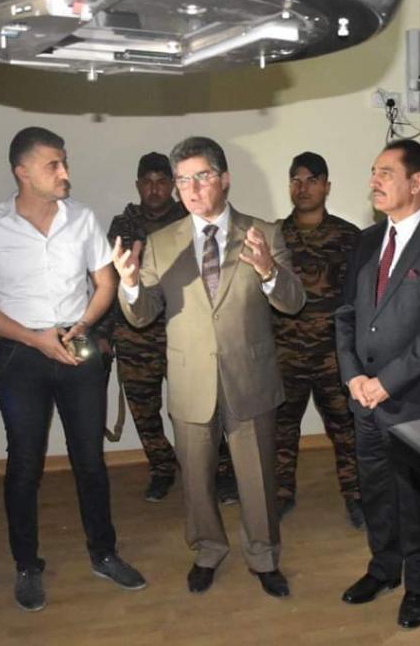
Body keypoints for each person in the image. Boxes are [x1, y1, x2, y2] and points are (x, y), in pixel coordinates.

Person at [0, 127, 145, 612]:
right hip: (21, 356)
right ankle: (27, 565)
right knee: (24, 464)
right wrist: (35, 339)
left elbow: (104, 283)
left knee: (90, 460)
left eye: (64, 162)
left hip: (76, 346)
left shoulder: (81, 218)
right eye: (53, 165)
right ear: (22, 172)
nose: (65, 172)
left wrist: (81, 326)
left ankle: (104, 553)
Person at [112, 136, 305, 598]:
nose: (192, 189)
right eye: (183, 181)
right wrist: (131, 284)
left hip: (250, 377)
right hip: (190, 379)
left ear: (224, 179)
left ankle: (263, 555)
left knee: (257, 479)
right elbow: (142, 314)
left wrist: (269, 271)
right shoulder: (161, 243)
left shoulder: (263, 233)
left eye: (201, 177)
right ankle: (207, 551)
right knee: (197, 480)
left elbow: (294, 301)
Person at [335, 139, 420, 629]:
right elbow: (346, 312)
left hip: (416, 400)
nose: (374, 181)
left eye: (386, 173)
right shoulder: (367, 240)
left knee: (417, 500)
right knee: (375, 491)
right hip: (364, 398)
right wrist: (353, 374)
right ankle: (383, 568)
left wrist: (387, 383)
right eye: (373, 172)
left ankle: (419, 586)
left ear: (416, 182)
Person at [92, 152, 235, 503]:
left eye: (161, 182)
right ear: (138, 185)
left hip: (182, 330)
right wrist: (104, 334)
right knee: (143, 409)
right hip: (134, 334)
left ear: (172, 185)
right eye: (148, 182)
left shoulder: (191, 220)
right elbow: (109, 283)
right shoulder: (122, 226)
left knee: (201, 407)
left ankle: (220, 471)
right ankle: (161, 467)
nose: (154, 189)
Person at [272, 151, 363, 528]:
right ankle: (280, 493)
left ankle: (356, 495)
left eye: (312, 180)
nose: (303, 188)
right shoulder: (274, 235)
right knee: (281, 428)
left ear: (326, 186)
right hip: (285, 353)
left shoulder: (349, 237)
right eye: (296, 180)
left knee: (346, 428)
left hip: (333, 355)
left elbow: (360, 298)